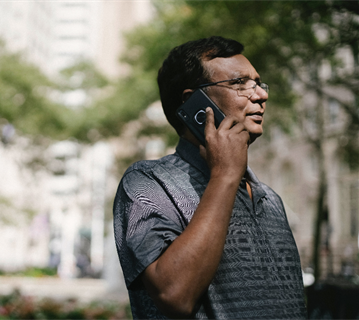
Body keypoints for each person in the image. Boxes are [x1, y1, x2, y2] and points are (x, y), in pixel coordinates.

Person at [113, 36, 307, 320]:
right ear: (193, 102)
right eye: (240, 83)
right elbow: (175, 295)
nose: (261, 95)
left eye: (258, 83)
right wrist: (225, 174)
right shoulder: (147, 182)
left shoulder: (271, 200)